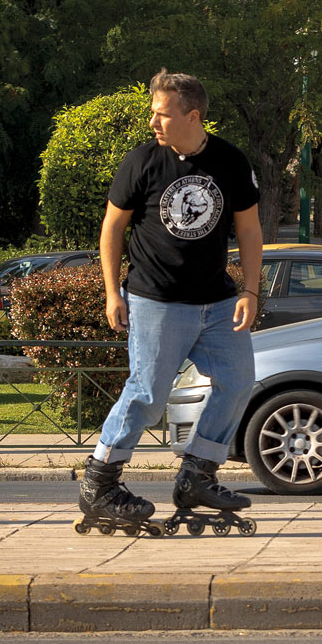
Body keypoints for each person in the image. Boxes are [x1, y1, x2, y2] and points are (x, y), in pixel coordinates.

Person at [78, 70, 262, 530]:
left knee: (239, 382)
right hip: (156, 301)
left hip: (219, 303)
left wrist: (251, 289)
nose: (152, 122)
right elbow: (112, 228)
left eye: (161, 114)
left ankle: (198, 474)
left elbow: (250, 230)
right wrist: (111, 291)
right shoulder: (142, 161)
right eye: (153, 113)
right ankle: (100, 482)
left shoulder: (231, 162)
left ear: (193, 116)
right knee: (148, 394)